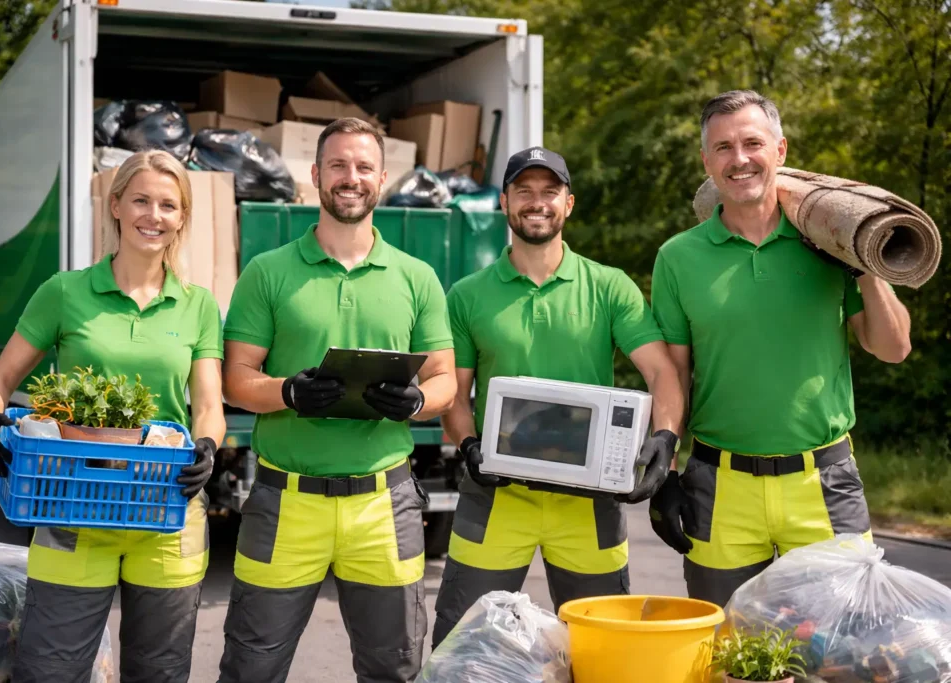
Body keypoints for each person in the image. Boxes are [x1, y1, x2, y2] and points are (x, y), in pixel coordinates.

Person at [648, 90, 913, 608]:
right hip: (719, 485)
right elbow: (672, 374)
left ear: (781, 150)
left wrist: (861, 263)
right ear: (707, 162)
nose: (739, 158)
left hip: (823, 482)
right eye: (723, 147)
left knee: (839, 652)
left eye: (752, 143)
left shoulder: (831, 245)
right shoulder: (678, 258)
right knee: (726, 652)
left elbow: (893, 348)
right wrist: (667, 465)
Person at [216, 117, 457, 683]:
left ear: (381, 178)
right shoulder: (268, 272)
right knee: (251, 668)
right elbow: (236, 380)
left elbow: (445, 379)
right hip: (284, 502)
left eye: (364, 167)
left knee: (394, 669)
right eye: (339, 165)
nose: (352, 177)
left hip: (384, 504)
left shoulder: (416, 278)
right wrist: (288, 391)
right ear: (316, 175)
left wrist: (417, 402)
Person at [0, 149, 225, 682]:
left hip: (166, 510)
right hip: (72, 507)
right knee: (49, 672)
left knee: (158, 674)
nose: (152, 216)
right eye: (140, 200)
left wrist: (207, 447)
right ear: (115, 205)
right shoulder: (65, 292)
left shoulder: (198, 305)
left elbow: (207, 404)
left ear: (181, 217)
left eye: (167, 205)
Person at [431, 146, 686, 648]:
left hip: (588, 503)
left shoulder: (609, 287)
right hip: (496, 497)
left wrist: (665, 436)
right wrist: (468, 446)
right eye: (523, 191)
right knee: (462, 647)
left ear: (569, 203)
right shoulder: (466, 294)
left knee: (601, 652)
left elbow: (662, 372)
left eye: (550, 192)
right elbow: (455, 397)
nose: (537, 202)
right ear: (504, 202)